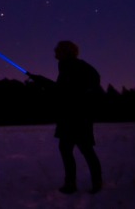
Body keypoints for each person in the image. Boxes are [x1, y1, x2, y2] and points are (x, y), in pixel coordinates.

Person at [28, 40, 103, 194]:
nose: (55, 53)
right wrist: (41, 80)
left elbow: (63, 91)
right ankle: (82, 183)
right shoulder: (72, 66)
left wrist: (41, 82)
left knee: (80, 149)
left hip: (75, 116)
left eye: (57, 50)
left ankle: (79, 184)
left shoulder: (71, 66)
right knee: (74, 149)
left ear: (65, 52)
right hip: (76, 115)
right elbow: (63, 90)